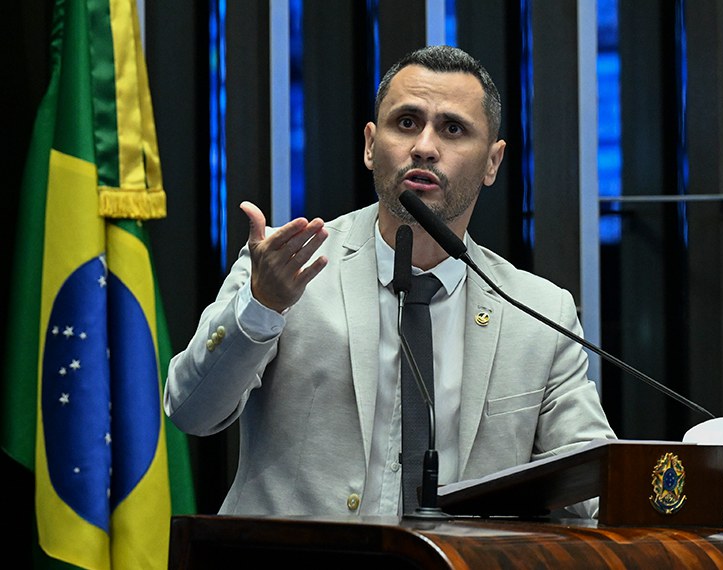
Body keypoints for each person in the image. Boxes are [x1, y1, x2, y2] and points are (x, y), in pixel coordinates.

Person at [164, 45, 616, 517]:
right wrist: (262, 306)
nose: (424, 146)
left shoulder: (538, 313)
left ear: (492, 162)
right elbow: (192, 411)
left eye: (453, 129)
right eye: (406, 123)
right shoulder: (286, 265)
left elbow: (594, 489)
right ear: (369, 145)